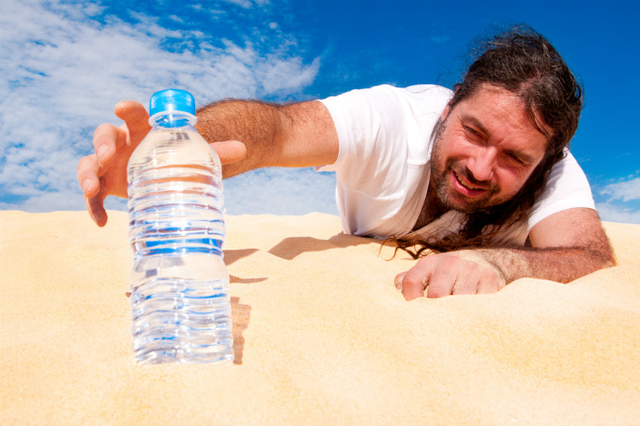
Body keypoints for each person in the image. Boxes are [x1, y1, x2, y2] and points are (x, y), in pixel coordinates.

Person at [77, 25, 614, 300]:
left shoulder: (553, 169)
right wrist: (177, 148)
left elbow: (588, 256)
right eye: (473, 132)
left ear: (543, 162)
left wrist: (503, 263)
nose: (480, 166)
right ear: (448, 108)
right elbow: (277, 130)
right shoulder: (393, 119)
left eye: (514, 158)